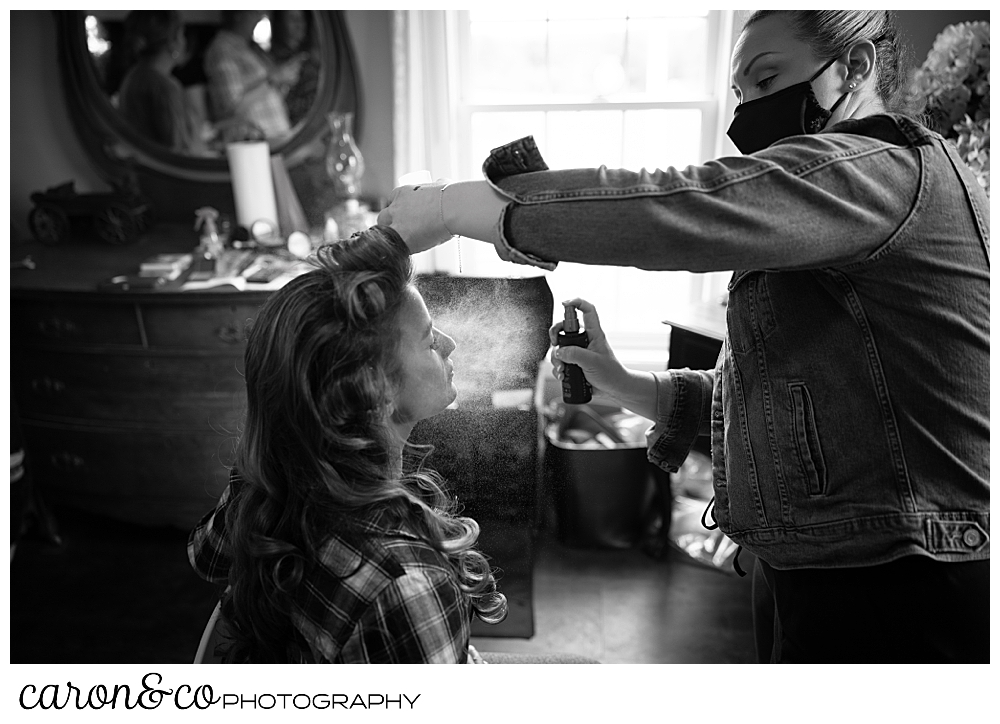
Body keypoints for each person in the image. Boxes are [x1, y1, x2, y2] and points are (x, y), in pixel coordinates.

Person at [377, 10, 990, 663]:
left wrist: (450, 206)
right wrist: (619, 380)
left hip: (907, 587)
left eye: (768, 79)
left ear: (856, 67)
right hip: (812, 572)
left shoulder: (886, 174)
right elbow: (765, 410)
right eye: (741, 92)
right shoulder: (819, 223)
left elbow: (679, 207)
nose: (748, 111)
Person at [187, 226, 508, 663]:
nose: (449, 344)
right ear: (375, 391)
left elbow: (207, 558)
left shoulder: (271, 476)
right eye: (430, 340)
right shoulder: (407, 582)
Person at [203, 10, 301, 141]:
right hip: (253, 143)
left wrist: (283, 81)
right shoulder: (223, 49)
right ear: (238, 14)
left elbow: (267, 95)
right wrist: (272, 80)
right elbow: (232, 108)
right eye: (254, 11)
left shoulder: (253, 48)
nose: (260, 16)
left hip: (276, 139)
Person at [117, 10, 203, 154]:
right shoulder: (165, 86)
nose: (185, 42)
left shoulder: (133, 77)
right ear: (172, 42)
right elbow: (179, 151)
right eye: (182, 35)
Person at [268, 10, 321, 127]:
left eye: (301, 19)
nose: (299, 24)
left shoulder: (310, 58)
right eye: (292, 19)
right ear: (280, 23)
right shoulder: (272, 62)